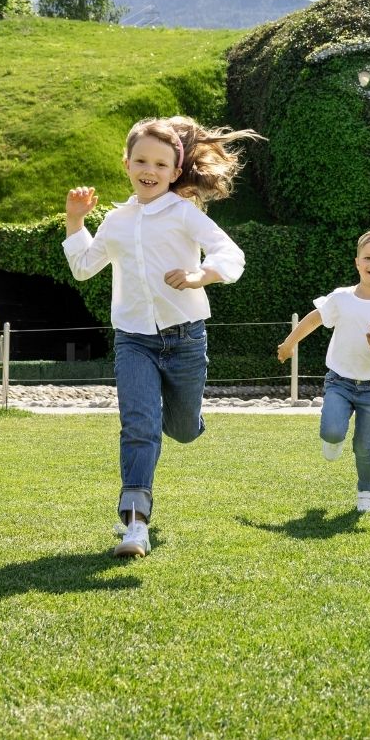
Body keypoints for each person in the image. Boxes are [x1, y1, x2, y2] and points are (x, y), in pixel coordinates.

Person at [64, 116, 262, 558]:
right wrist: (76, 223)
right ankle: (135, 525)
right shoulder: (114, 221)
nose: (149, 169)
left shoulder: (184, 213)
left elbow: (230, 252)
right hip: (133, 340)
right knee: (139, 426)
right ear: (127, 163)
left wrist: (201, 274)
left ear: (176, 172)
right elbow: (83, 267)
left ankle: (189, 422)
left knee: (182, 430)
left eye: (160, 163)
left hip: (186, 338)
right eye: (140, 161)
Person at [277, 225, 370, 514]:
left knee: (365, 447)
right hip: (339, 382)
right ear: (357, 262)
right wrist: (290, 344)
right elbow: (313, 320)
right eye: (368, 257)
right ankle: (334, 439)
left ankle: (367, 492)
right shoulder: (341, 298)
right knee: (332, 430)